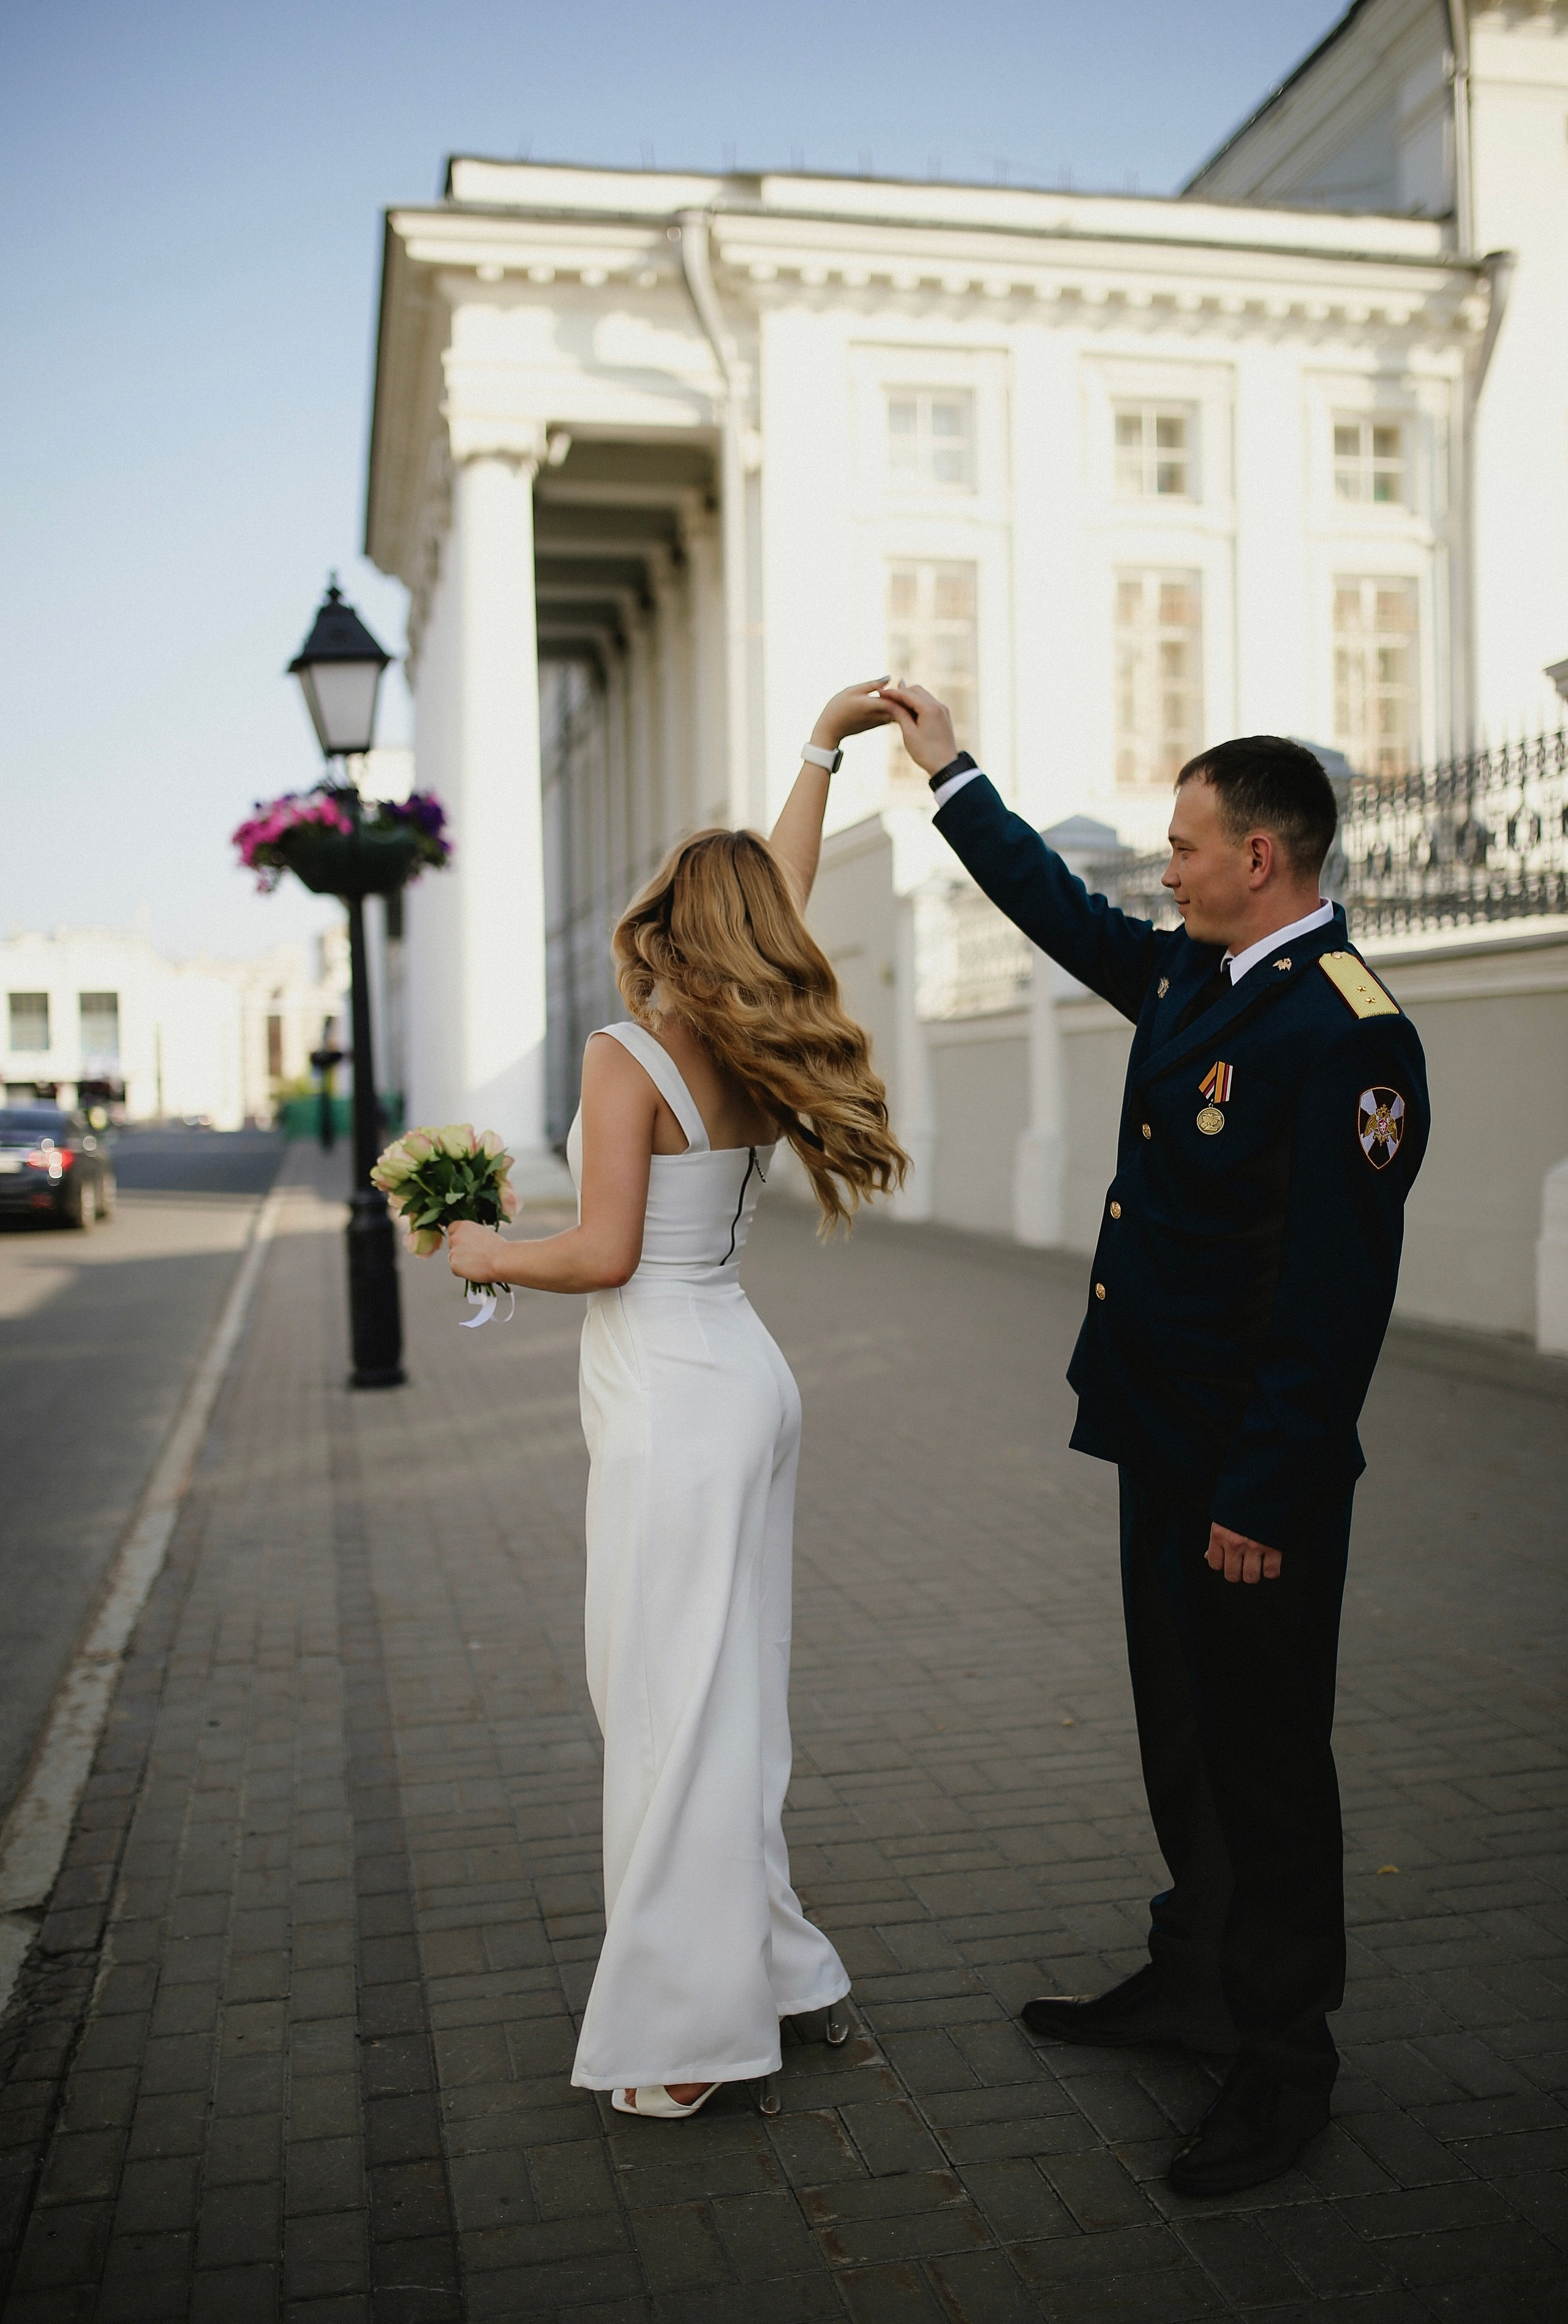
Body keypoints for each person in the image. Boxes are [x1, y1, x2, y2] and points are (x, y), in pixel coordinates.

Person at [882, 684, 1430, 2196]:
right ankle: (1194, 1975)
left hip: (1254, 1478)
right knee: (1181, 1735)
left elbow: (1331, 1306)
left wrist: (1260, 1492)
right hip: (1160, 1440)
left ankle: (1280, 2063)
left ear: (1261, 856)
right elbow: (1062, 915)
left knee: (1264, 1765)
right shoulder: (1197, 979)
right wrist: (953, 776)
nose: (1163, 870)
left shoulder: (1344, 1037)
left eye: (1184, 847)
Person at [447, 682, 908, 2120]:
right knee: (727, 1710)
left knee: (663, 1711)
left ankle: (683, 2037)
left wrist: (482, 1253)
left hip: (672, 1399)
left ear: (660, 922)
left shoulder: (623, 1053)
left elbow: (598, 1253)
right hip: (745, 1382)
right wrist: (817, 751)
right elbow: (783, 888)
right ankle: (777, 1967)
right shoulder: (753, 1044)